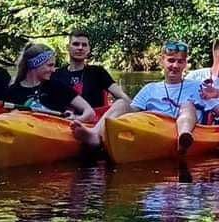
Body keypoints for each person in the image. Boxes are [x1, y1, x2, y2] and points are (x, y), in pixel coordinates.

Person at [81, 40, 209, 152]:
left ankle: (184, 137)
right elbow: (131, 112)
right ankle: (95, 134)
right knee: (121, 103)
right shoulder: (150, 89)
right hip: (155, 128)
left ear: (185, 64)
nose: (175, 66)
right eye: (171, 60)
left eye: (180, 62)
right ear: (162, 61)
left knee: (187, 105)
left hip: (186, 126)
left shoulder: (198, 87)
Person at [3, 42, 93, 120]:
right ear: (35, 65)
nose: (53, 70)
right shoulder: (12, 92)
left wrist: (75, 119)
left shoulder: (57, 86)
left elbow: (89, 112)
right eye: (50, 65)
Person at [58, 32, 126, 116]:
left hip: (95, 123)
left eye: (84, 45)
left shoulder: (98, 72)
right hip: (63, 121)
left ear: (88, 49)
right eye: (76, 44)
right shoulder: (56, 74)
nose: (80, 48)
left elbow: (122, 97)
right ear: (68, 47)